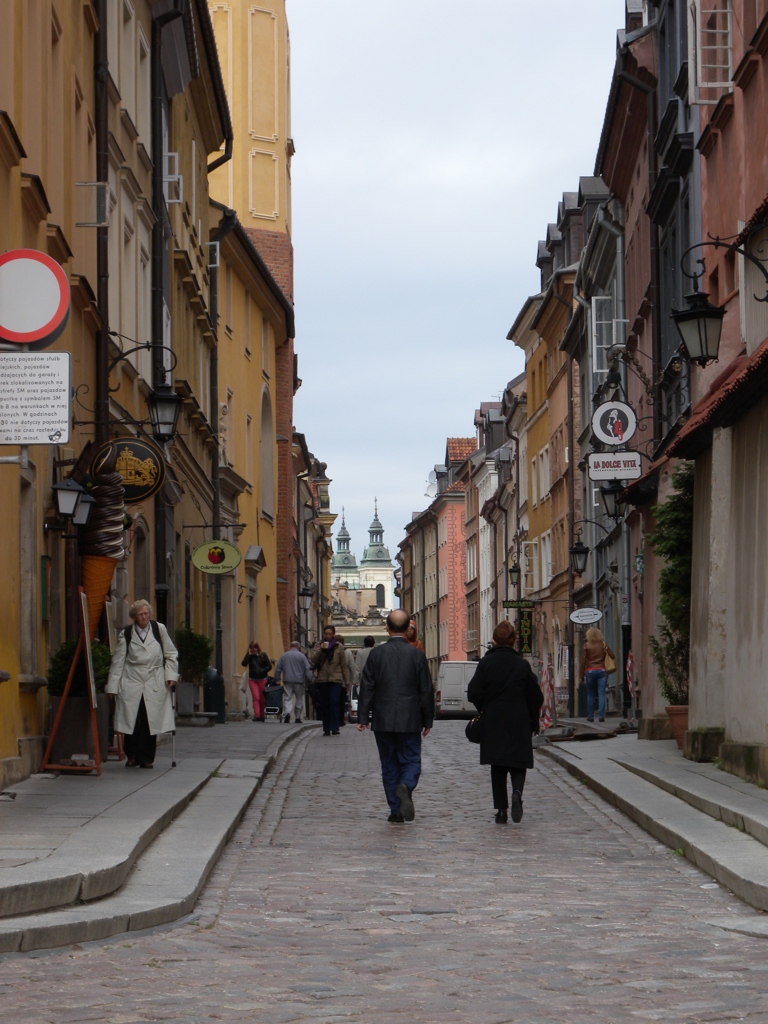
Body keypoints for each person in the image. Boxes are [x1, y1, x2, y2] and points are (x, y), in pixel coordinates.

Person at [357, 609, 434, 823]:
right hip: (410, 719)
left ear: (387, 628)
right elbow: (426, 689)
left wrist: (362, 717)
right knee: (410, 760)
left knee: (389, 764)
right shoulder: (416, 655)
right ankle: (407, 785)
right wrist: (428, 719)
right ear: (408, 627)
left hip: (382, 719)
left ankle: (395, 810)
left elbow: (367, 687)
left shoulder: (376, 654)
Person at [467, 620, 543, 824]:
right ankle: (517, 792)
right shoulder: (522, 665)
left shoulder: (486, 663)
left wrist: (484, 707)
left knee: (498, 766)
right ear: (513, 641)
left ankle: (501, 810)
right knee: (518, 764)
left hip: (494, 720)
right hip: (519, 719)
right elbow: (536, 697)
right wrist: (533, 721)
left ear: (494, 640)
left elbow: (473, 691)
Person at [106, 599, 178, 769]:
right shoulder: (127, 633)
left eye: (146, 613)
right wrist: (112, 686)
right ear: (134, 617)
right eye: (140, 614)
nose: (144, 617)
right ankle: (131, 755)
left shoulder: (158, 629)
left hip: (153, 679)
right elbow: (118, 661)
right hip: (132, 679)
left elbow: (171, 653)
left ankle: (146, 757)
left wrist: (171, 675)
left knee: (149, 719)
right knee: (131, 718)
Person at [310, 625, 349, 735]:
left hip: (336, 679)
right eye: (326, 634)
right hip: (322, 679)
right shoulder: (318, 645)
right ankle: (326, 728)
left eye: (330, 634)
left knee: (334, 702)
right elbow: (313, 660)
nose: (327, 636)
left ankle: (335, 727)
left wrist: (347, 681)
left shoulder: (338, 646)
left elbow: (343, 665)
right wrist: (321, 650)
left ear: (333, 635)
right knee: (325, 704)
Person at [579, 626, 615, 723]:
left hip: (590, 671)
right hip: (602, 671)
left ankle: (590, 716)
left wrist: (581, 676)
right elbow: (613, 656)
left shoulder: (586, 645)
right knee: (601, 693)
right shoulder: (603, 644)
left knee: (590, 694)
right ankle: (601, 716)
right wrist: (607, 649)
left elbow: (583, 662)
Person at [273, 641, 313, 723]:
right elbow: (307, 668)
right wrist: (310, 678)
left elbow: (278, 668)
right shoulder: (302, 656)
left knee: (287, 698)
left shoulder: (284, 656)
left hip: (287, 681)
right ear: (298, 647)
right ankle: (297, 717)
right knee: (299, 698)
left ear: (290, 646)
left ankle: (287, 713)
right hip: (299, 681)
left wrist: (277, 679)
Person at [241, 641, 272, 722]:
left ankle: (262, 714)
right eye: (251, 648)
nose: (253, 649)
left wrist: (262, 670)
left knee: (262, 699)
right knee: (256, 697)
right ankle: (257, 715)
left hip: (262, 679)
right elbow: (243, 663)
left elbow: (269, 666)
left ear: (257, 648)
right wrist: (248, 655)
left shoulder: (263, 655)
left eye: (255, 647)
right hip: (253, 680)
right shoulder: (250, 657)